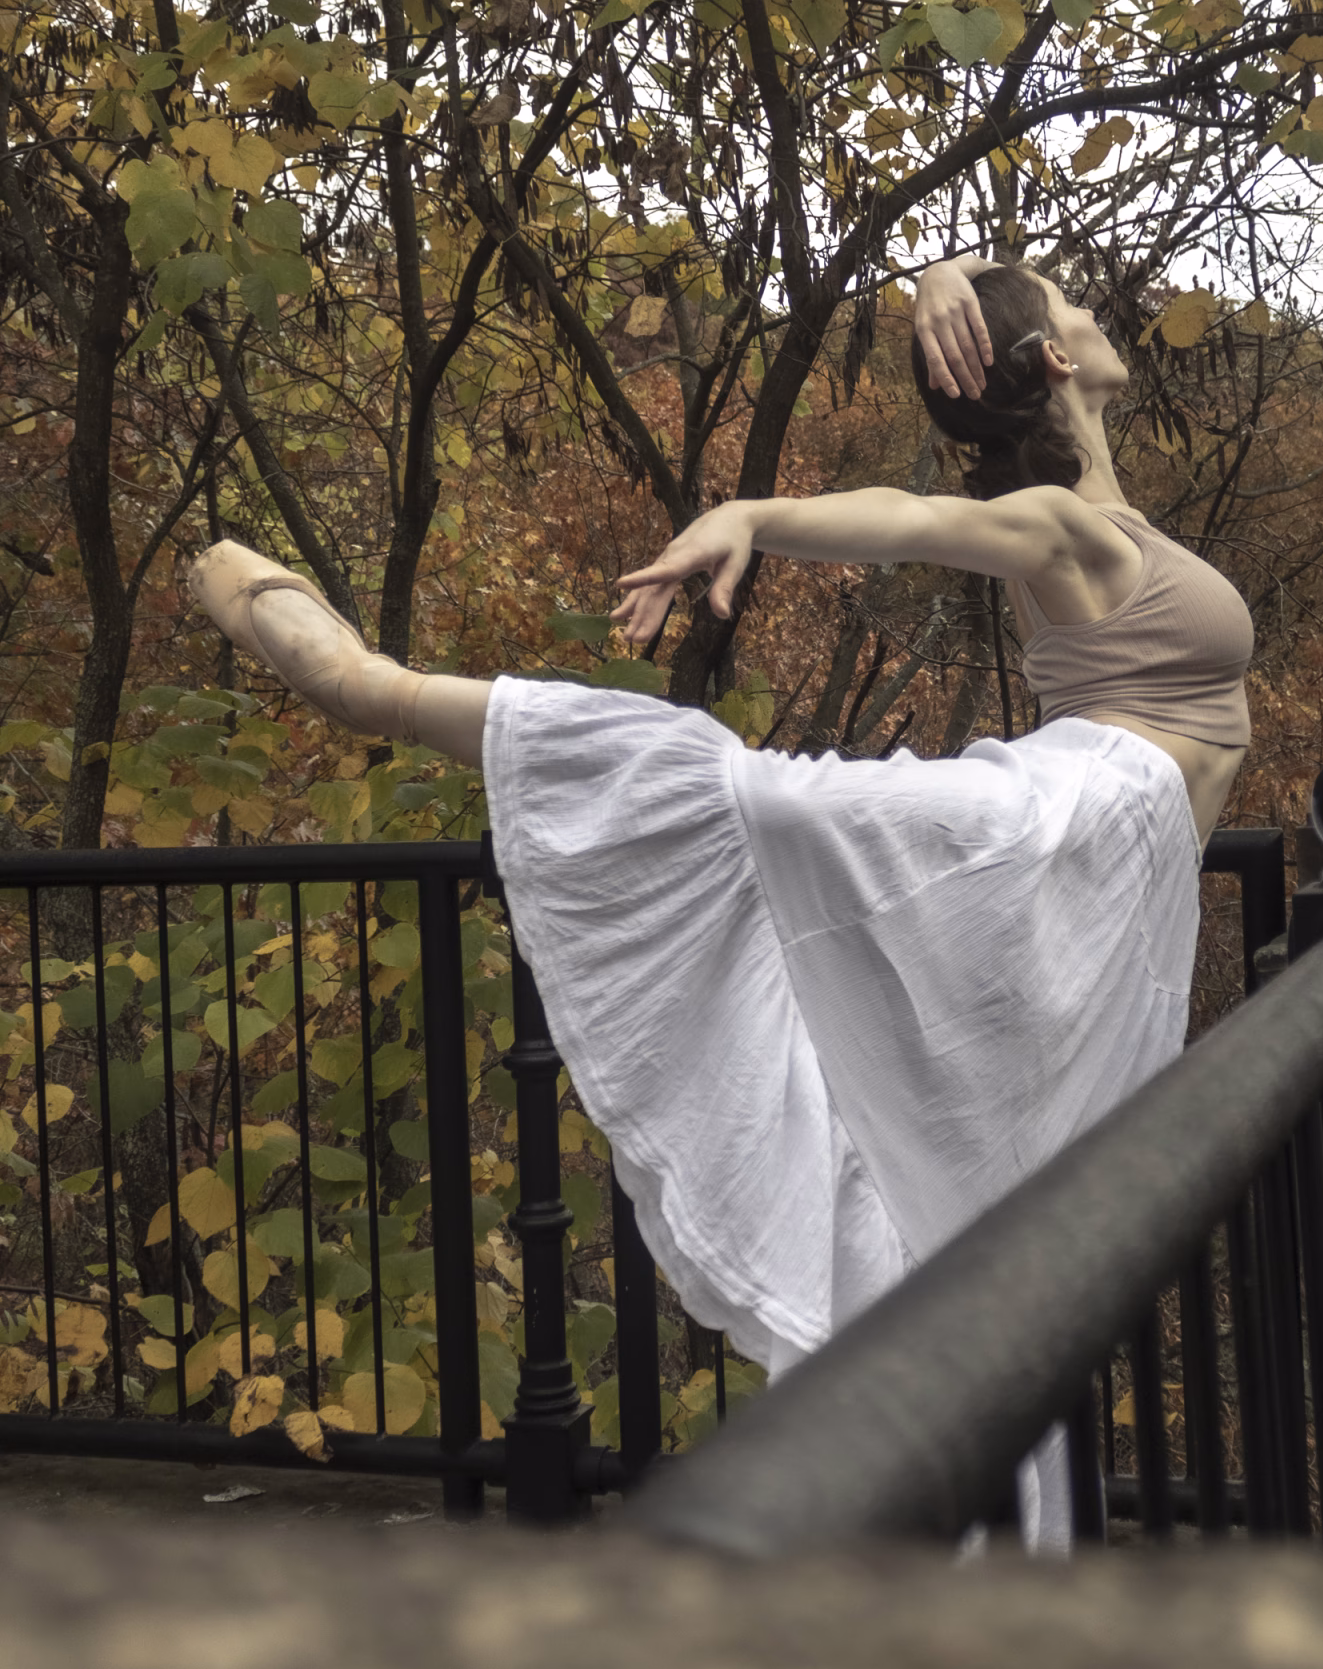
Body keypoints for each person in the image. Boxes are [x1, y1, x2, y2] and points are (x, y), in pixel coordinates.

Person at [188, 252, 1254, 1546]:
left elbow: (964, 384)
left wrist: (933, 271)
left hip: (1109, 872)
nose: (1091, 304)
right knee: (756, 801)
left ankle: (944, 1482)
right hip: (1079, 813)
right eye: (1073, 302)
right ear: (1061, 358)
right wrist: (755, 511)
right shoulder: (1064, 524)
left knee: (1006, 1205)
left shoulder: (1107, 517)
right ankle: (378, 688)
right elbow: (912, 518)